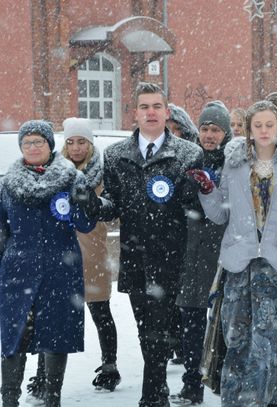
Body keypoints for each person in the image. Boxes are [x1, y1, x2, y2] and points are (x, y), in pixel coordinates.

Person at [74, 82, 204, 407]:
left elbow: (195, 212)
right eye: (144, 107)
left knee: (159, 330)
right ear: (135, 113)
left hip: (171, 259)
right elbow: (113, 205)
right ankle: (155, 391)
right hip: (135, 259)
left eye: (156, 106)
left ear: (166, 112)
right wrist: (91, 204)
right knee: (146, 331)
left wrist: (199, 194)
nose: (150, 112)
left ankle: (153, 396)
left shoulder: (189, 154)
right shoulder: (116, 155)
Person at [188, 100, 277, 407]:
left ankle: (264, 401)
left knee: (269, 342)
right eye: (257, 126)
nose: (264, 131)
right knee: (235, 340)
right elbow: (220, 216)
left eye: (269, 125)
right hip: (240, 262)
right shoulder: (235, 165)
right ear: (248, 130)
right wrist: (207, 191)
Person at [25, 118, 123, 402]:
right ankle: (43, 372)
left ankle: (109, 365)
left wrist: (92, 203)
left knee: (101, 312)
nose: (76, 147)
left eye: (82, 142)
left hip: (92, 253)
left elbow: (111, 210)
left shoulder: (102, 176)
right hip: (59, 257)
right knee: (51, 317)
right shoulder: (54, 173)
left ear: (90, 144)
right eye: (71, 142)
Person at [0, 120, 95, 407]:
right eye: (27, 142)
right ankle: (9, 400)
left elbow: (86, 225)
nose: (32, 147)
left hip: (60, 269)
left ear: (50, 145)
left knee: (56, 334)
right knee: (14, 335)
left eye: (38, 141)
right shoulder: (6, 184)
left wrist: (83, 201)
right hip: (17, 271)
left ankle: (53, 398)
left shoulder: (72, 179)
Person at [170, 101, 232, 405]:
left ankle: (221, 376)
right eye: (205, 128)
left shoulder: (234, 160)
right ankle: (192, 380)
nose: (210, 135)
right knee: (192, 315)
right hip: (193, 244)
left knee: (224, 316)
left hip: (224, 243)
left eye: (216, 129)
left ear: (226, 132)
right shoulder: (189, 157)